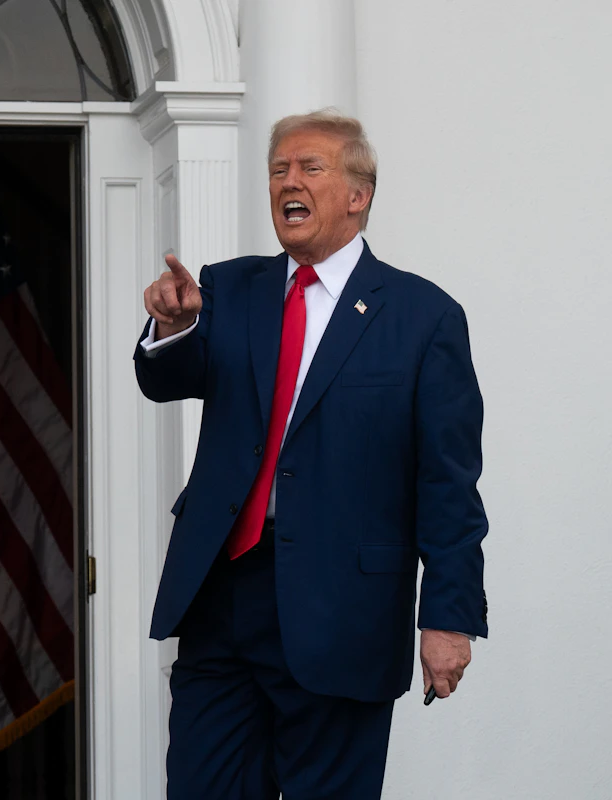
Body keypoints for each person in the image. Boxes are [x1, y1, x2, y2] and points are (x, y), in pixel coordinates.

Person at [136, 109, 488, 799]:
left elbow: (448, 482)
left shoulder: (423, 317)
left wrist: (448, 615)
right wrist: (172, 328)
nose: (287, 182)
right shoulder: (230, 289)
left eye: (309, 168)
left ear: (358, 194)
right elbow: (166, 381)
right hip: (222, 602)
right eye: (277, 170)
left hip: (343, 611)